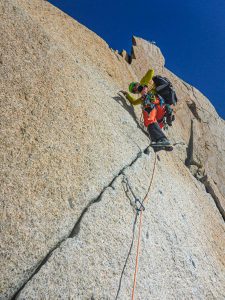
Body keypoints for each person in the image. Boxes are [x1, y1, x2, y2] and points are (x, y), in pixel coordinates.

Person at [121, 69, 174, 146]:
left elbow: (151, 71)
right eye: (133, 90)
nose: (135, 89)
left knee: (147, 106)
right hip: (159, 114)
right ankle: (162, 141)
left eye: (134, 86)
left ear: (137, 83)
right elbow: (134, 102)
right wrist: (127, 95)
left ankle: (161, 138)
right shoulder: (142, 98)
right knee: (149, 121)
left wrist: (145, 86)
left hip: (158, 102)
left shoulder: (144, 83)